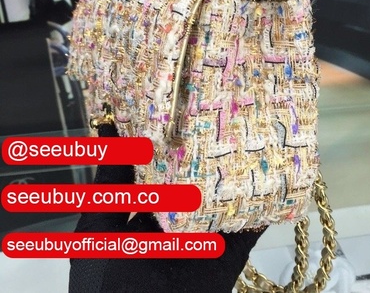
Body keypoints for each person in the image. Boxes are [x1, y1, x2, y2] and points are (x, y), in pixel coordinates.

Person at [68, 123, 266, 293]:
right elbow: (115, 174)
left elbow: (245, 233)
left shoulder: (89, 276)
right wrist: (108, 124)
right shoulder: (89, 277)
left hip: (241, 185)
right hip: (186, 152)